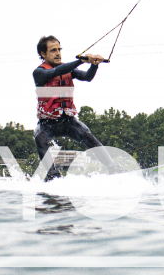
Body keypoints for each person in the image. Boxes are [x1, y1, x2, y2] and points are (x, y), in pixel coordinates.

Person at [33, 35, 120, 181]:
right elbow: (56, 72)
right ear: (43, 54)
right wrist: (82, 60)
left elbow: (87, 77)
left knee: (88, 136)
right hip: (47, 124)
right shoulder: (39, 73)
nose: (58, 53)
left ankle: (113, 167)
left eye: (59, 49)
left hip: (68, 122)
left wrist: (94, 65)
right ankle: (53, 177)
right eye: (53, 50)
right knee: (39, 138)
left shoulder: (69, 70)